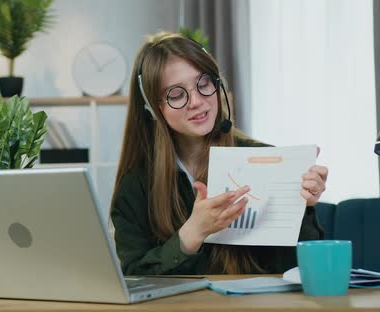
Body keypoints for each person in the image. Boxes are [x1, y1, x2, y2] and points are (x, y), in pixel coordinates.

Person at [110, 31, 328, 275]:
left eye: (203, 83)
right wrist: (192, 233)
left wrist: (303, 206)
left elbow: (299, 269)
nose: (196, 101)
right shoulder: (135, 185)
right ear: (153, 108)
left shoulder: (266, 160)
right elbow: (135, 280)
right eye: (177, 94)